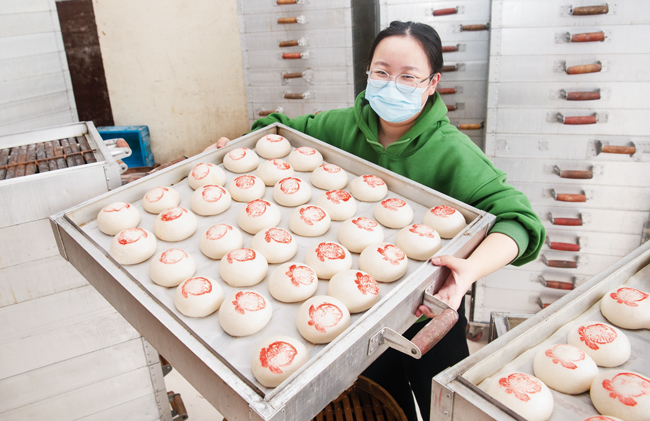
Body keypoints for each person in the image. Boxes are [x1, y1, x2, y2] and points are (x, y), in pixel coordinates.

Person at [208, 21, 544, 421]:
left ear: (433, 83)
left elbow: (518, 220)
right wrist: (234, 148)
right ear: (367, 73)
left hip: (429, 312)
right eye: (382, 72)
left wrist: (470, 270)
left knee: (444, 408)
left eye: (408, 77)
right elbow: (274, 132)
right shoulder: (340, 127)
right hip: (353, 311)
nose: (391, 85)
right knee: (381, 403)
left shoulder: (453, 154)